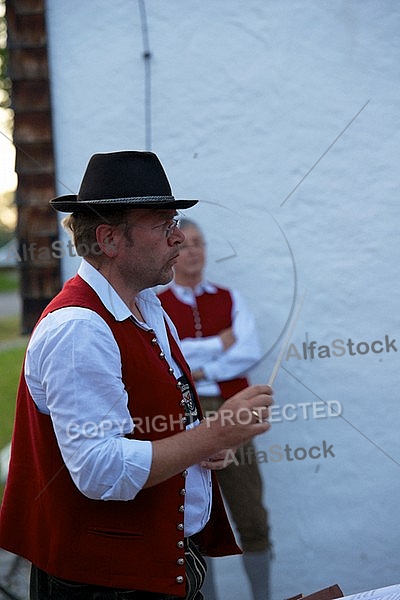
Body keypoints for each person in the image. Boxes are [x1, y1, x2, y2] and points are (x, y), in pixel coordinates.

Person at [0, 151, 273, 600]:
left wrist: (202, 443)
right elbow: (100, 470)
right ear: (109, 238)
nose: (180, 238)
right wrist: (211, 436)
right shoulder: (79, 328)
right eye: (164, 224)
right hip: (104, 585)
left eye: (176, 222)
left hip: (156, 571)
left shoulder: (147, 305)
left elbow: (153, 421)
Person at [158, 219, 272, 600]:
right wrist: (216, 344)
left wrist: (199, 361)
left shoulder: (230, 298)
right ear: (173, 251)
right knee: (195, 513)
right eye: (186, 244)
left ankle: (263, 596)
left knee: (251, 511)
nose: (194, 251)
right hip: (184, 412)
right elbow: (170, 359)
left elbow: (248, 352)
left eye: (200, 243)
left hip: (232, 408)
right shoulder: (156, 306)